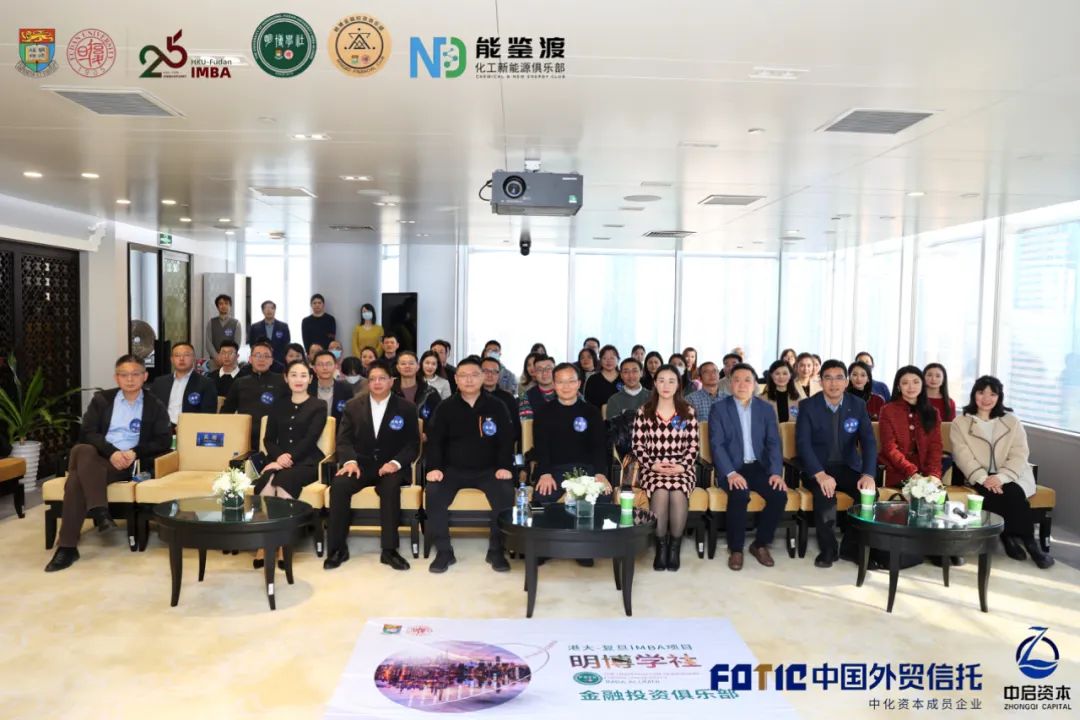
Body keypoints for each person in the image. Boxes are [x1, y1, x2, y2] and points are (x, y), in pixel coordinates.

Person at [44, 355, 172, 572]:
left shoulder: (154, 405)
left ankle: (67, 547)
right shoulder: (102, 400)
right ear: (116, 378)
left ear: (145, 376)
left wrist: (134, 452)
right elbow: (87, 432)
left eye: (135, 374)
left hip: (126, 462)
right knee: (83, 449)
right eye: (124, 375)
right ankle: (100, 510)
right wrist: (111, 452)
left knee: (75, 481)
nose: (130, 379)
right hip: (98, 454)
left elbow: (163, 440)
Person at [423, 357, 515, 573]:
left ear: (482, 377)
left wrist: (504, 466)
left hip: (489, 470)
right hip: (452, 470)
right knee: (433, 493)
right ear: (456, 379)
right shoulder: (445, 407)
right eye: (463, 376)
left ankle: (496, 550)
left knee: (505, 492)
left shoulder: (497, 406)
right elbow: (435, 441)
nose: (469, 380)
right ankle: (444, 551)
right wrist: (434, 468)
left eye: (474, 375)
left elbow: (506, 440)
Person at [950, 376, 1053, 568]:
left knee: (1012, 491)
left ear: (999, 397)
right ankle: (1011, 537)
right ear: (974, 394)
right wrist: (984, 478)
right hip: (979, 475)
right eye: (981, 393)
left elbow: (1019, 452)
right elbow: (962, 455)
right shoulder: (960, 422)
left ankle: (1029, 544)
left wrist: (1001, 477)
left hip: (1013, 473)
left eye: (992, 394)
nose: (986, 398)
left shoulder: (1011, 421)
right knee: (993, 493)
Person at [325, 363, 419, 571]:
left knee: (390, 488)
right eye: (373, 379)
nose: (377, 383)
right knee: (339, 485)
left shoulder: (407, 408)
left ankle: (389, 550)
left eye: (382, 378)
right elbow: (343, 440)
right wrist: (350, 461)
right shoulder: (353, 406)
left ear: (391, 381)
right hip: (360, 465)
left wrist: (395, 463)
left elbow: (413, 444)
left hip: (390, 466)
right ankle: (338, 549)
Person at [795, 359, 877, 568]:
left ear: (846, 382)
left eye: (839, 378)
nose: (834, 383)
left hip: (847, 466)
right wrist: (820, 474)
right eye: (828, 378)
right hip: (818, 468)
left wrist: (868, 474)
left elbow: (868, 442)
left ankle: (851, 547)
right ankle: (828, 550)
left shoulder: (857, 405)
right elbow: (803, 444)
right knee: (825, 496)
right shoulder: (808, 406)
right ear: (820, 381)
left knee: (868, 494)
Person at [709, 363, 787, 570]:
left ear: (754, 385)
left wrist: (776, 473)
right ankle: (736, 549)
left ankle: (760, 544)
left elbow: (773, 443)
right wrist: (731, 473)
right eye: (737, 380)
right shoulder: (719, 409)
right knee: (739, 493)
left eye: (747, 380)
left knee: (779, 494)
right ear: (730, 384)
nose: (742, 384)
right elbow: (717, 445)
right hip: (731, 467)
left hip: (759, 467)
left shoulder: (766, 409)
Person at [252, 360, 326, 566]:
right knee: (267, 483)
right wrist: (279, 458)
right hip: (278, 460)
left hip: (306, 462)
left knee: (284, 483)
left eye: (303, 375)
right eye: (293, 375)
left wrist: (287, 459)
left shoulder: (319, 406)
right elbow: (268, 440)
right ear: (286, 378)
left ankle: (285, 545)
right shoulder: (278, 405)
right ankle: (264, 543)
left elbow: (310, 439)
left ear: (310, 379)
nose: (298, 379)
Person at [631, 365, 699, 572]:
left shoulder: (687, 412)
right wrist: (653, 464)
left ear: (678, 385)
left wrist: (681, 467)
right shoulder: (644, 411)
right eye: (661, 380)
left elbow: (693, 446)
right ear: (654, 383)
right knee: (660, 491)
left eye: (671, 381)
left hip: (682, 468)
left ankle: (674, 547)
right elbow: (637, 446)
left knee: (677, 492)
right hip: (652, 467)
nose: (666, 385)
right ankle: (661, 547)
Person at [533, 362, 611, 513]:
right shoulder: (543, 412)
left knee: (604, 496)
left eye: (571, 381)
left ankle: (590, 529)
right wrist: (544, 473)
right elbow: (541, 446)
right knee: (541, 498)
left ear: (579, 384)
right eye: (561, 382)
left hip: (586, 471)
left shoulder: (592, 412)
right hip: (554, 470)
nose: (566, 386)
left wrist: (600, 473)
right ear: (554, 384)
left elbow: (599, 446)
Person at [878, 366, 943, 490]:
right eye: (905, 383)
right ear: (898, 386)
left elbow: (935, 447)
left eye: (916, 382)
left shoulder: (933, 412)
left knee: (937, 496)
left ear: (922, 384)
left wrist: (934, 474)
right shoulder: (887, 410)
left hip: (926, 472)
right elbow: (889, 448)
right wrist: (912, 472)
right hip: (896, 471)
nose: (911, 387)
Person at [221, 339, 288, 453]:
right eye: (257, 355)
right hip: (244, 437)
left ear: (272, 360)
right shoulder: (240, 382)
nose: (261, 359)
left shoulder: (282, 381)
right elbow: (226, 412)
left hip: (274, 438)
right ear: (250, 359)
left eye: (266, 356)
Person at [148, 342, 217, 425]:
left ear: (193, 358)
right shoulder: (159, 383)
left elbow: (208, 415)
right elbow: (150, 409)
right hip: (163, 428)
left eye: (186, 355)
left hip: (190, 428)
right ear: (171, 359)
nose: (181, 358)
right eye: (177, 355)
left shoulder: (206, 383)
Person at [481, 356, 521, 445]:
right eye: (486, 371)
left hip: (503, 445)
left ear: (499, 375)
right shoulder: (473, 397)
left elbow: (516, 428)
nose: (490, 375)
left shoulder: (508, 398)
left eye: (494, 372)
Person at [393, 351, 441, 423]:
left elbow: (439, 419)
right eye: (403, 364)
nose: (407, 366)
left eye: (411, 363)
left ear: (418, 366)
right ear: (398, 367)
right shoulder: (389, 391)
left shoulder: (430, 392)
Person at [310, 350, 354, 422]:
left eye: (329, 364)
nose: (325, 368)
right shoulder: (307, 389)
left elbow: (350, 415)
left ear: (335, 366)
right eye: (320, 364)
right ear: (314, 368)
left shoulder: (346, 389)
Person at [248, 300, 291, 365]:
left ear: (275, 310)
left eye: (271, 308)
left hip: (279, 361)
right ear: (262, 311)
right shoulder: (255, 327)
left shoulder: (283, 326)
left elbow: (286, 344)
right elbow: (252, 345)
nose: (269, 310)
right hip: (261, 361)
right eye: (266, 308)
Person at [204, 293, 242, 368]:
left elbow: (237, 344)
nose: (224, 306)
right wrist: (217, 357)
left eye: (226, 303)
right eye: (221, 304)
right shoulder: (211, 322)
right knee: (214, 376)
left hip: (231, 360)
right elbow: (208, 343)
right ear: (217, 306)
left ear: (230, 306)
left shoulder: (236, 323)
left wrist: (227, 357)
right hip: (214, 361)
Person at [761, 359, 800, 423]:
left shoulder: (798, 399)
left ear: (790, 375)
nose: (781, 377)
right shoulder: (762, 399)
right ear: (771, 375)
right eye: (777, 373)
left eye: (785, 373)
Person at [518, 355, 556, 421]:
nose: (544, 373)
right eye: (539, 370)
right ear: (535, 373)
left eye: (548, 368)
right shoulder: (525, 398)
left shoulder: (566, 393)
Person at [584, 345, 622, 409]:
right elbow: (588, 403)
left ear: (618, 360)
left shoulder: (624, 378)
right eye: (604, 358)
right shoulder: (593, 379)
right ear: (600, 361)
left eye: (612, 358)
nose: (608, 361)